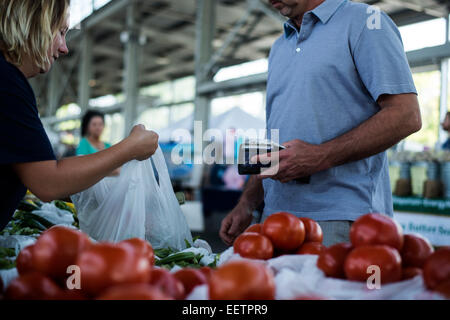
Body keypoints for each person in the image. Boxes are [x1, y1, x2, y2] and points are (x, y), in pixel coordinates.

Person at [220, 0, 422, 246]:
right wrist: (247, 203)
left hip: (340, 220)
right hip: (275, 219)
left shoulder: (365, 22)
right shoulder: (279, 47)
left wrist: (320, 156)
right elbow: (275, 143)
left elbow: (406, 115)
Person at [0, 0, 159, 231]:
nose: (64, 48)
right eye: (61, 32)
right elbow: (48, 182)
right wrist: (130, 148)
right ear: (35, 24)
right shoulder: (7, 82)